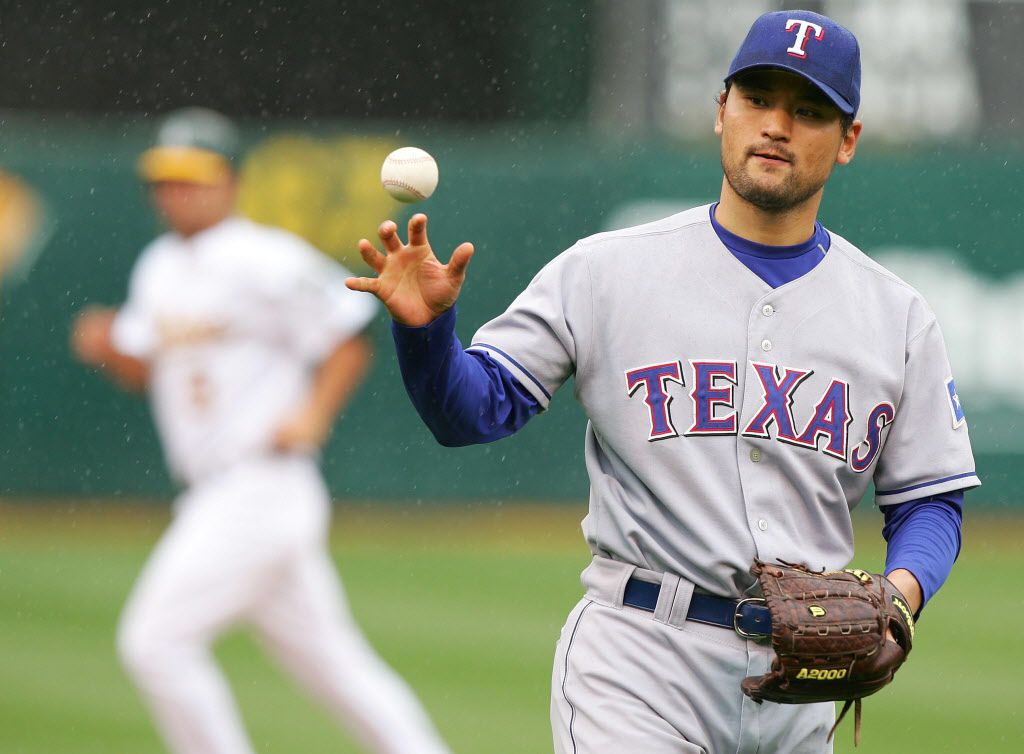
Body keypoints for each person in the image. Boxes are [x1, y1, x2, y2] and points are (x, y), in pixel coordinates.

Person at [346, 10, 978, 754]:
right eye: (757, 99)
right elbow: (471, 412)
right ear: (721, 112)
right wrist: (426, 334)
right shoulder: (607, 270)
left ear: (848, 141)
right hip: (640, 661)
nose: (776, 125)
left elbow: (930, 500)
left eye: (808, 110)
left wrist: (898, 598)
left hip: (800, 680)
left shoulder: (897, 317)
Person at [71, 108, 452, 754]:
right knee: (337, 670)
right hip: (219, 493)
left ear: (229, 182)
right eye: (166, 180)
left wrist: (312, 414)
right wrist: (110, 348)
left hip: (258, 487)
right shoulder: (158, 265)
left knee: (155, 643)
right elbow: (145, 368)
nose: (177, 192)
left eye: (192, 178)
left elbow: (348, 330)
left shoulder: (261, 256)